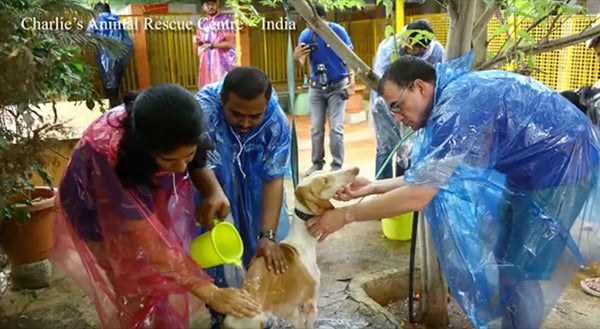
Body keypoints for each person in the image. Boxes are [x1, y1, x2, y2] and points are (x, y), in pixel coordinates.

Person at [306, 52, 600, 328]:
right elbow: (429, 177)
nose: (396, 117)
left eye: (397, 105)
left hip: (559, 167)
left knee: (522, 272)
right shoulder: (450, 100)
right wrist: (371, 187)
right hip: (531, 170)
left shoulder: (458, 106)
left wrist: (345, 216)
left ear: (420, 87)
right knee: (506, 257)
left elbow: (420, 194)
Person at [51, 84, 259, 329]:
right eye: (169, 160)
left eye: (188, 156)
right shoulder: (117, 158)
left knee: (162, 264)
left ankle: (160, 316)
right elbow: (150, 242)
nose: (182, 168)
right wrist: (212, 293)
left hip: (142, 178)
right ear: (146, 150)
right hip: (92, 202)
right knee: (129, 276)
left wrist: (212, 190)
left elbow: (191, 155)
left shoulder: (179, 122)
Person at [194, 67, 292, 328]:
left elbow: (273, 177)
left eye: (254, 116)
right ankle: (223, 313)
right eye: (236, 114)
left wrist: (268, 235)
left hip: (255, 183)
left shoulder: (276, 121)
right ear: (223, 100)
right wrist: (213, 192)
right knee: (221, 249)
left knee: (261, 246)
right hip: (211, 181)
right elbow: (197, 160)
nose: (246, 123)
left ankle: (259, 312)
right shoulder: (204, 113)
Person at [371, 19, 445, 179]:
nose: (419, 52)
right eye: (416, 48)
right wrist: (397, 107)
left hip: (416, 107)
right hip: (386, 105)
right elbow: (383, 86)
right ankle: (380, 190)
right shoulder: (389, 49)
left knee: (409, 149)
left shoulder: (436, 51)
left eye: (422, 50)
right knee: (386, 147)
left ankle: (403, 183)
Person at [293, 2, 355, 175]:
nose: (308, 25)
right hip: (317, 88)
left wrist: (352, 82)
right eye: (306, 22)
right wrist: (296, 58)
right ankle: (316, 163)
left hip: (338, 85)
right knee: (316, 128)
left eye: (311, 21)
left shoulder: (338, 31)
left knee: (336, 127)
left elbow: (349, 57)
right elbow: (301, 63)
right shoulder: (306, 35)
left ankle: (337, 166)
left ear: (322, 19)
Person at [87, 2, 133, 109]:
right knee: (116, 83)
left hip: (106, 56)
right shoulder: (116, 20)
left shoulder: (96, 20)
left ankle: (114, 112)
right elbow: (128, 42)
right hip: (123, 54)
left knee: (110, 86)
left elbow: (88, 37)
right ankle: (118, 108)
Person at [194, 0, 237, 89]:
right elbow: (202, 43)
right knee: (209, 88)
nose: (210, 7)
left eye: (212, 4)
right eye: (207, 4)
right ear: (203, 7)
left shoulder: (226, 19)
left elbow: (230, 43)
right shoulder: (202, 22)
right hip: (207, 61)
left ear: (217, 5)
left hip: (223, 61)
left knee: (223, 87)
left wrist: (212, 45)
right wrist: (198, 42)